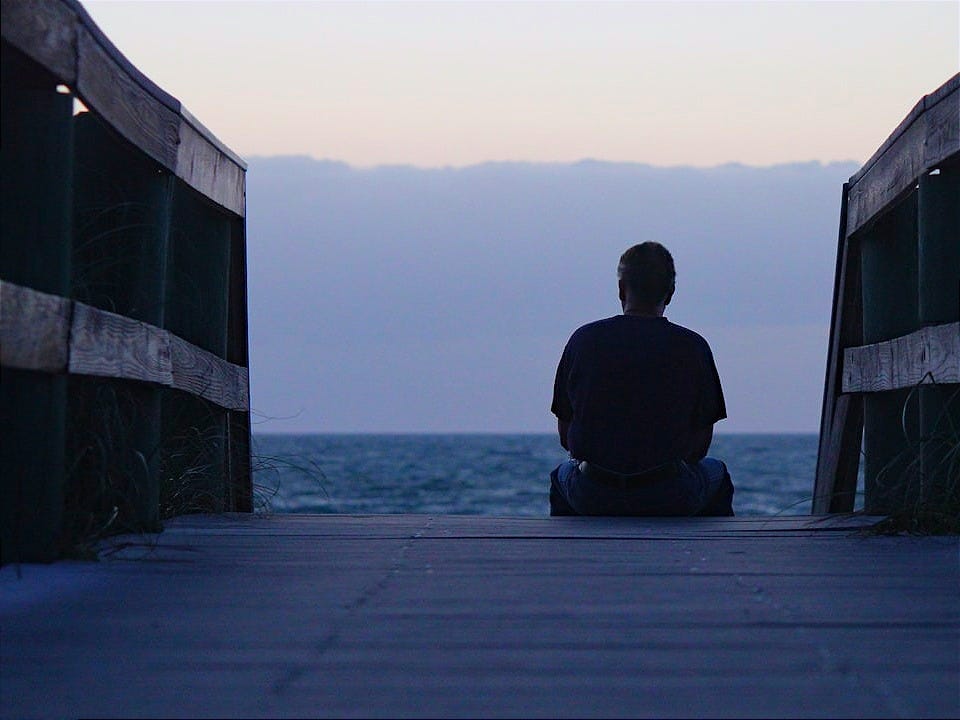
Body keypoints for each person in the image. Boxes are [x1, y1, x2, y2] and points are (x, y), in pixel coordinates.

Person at [549, 241, 734, 516]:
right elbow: (699, 447)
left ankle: (571, 550)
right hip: (669, 494)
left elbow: (567, 438)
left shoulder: (582, 341)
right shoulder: (693, 347)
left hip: (594, 493)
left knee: (562, 474)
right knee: (717, 473)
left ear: (622, 288)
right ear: (670, 293)